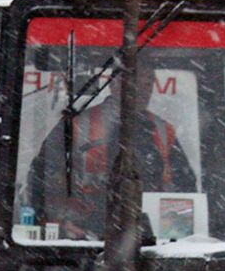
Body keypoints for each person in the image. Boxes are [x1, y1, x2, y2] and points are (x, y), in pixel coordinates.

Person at [23, 79, 197, 240]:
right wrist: (63, 222)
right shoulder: (77, 126)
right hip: (79, 243)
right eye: (134, 82)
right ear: (114, 84)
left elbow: (185, 190)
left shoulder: (164, 131)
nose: (141, 91)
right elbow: (41, 183)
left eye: (147, 83)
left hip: (150, 243)